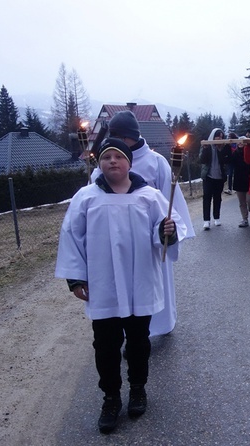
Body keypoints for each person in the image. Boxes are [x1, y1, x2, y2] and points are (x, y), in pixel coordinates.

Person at [56, 138, 187, 434]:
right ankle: (111, 397)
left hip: (139, 282)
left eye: (118, 156)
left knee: (139, 342)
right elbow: (71, 237)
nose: (112, 161)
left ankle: (138, 388)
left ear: (129, 162)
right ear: (99, 164)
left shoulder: (151, 196)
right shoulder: (86, 197)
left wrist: (167, 231)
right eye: (106, 157)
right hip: (104, 286)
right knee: (105, 345)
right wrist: (76, 278)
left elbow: (166, 232)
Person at [91, 110, 194, 337]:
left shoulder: (156, 162)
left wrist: (172, 230)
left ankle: (161, 324)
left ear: (130, 136)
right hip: (117, 236)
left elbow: (170, 199)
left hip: (152, 236)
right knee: (122, 283)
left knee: (154, 282)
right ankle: (128, 332)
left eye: (119, 136)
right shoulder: (108, 160)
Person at [199, 128, 232, 229]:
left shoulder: (223, 147)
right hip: (208, 177)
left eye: (221, 137)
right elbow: (201, 159)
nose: (219, 138)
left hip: (219, 177)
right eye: (218, 136)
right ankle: (206, 220)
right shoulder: (207, 146)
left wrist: (222, 149)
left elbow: (228, 160)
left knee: (218, 198)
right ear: (213, 137)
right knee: (207, 198)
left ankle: (217, 218)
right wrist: (204, 149)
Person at [231, 137, 250, 227]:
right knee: (242, 202)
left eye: (243, 142)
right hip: (239, 180)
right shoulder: (235, 154)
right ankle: (245, 219)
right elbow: (229, 161)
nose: (241, 143)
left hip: (249, 180)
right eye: (239, 142)